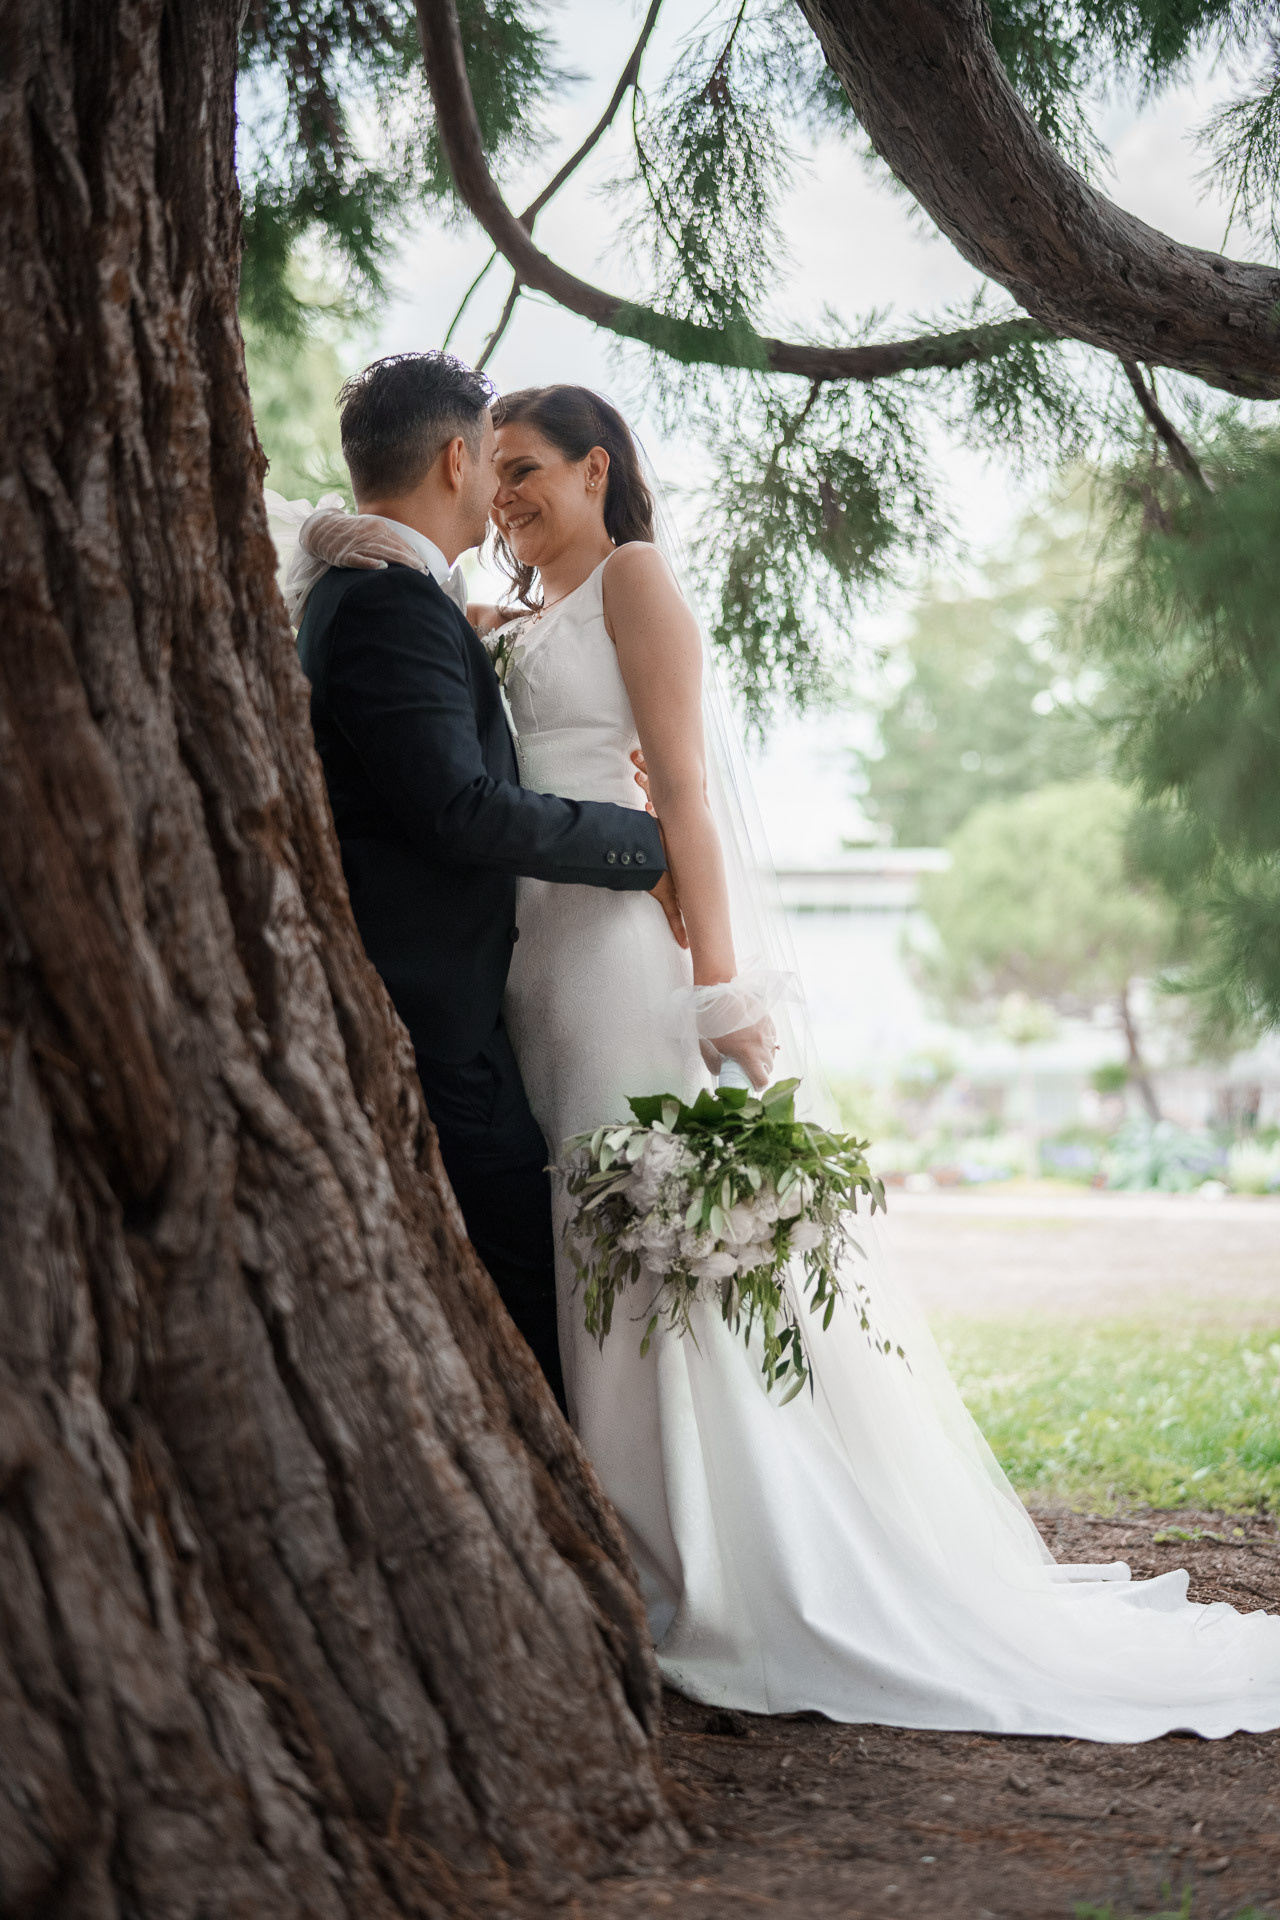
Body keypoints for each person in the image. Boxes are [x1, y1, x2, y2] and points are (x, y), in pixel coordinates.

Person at [294, 378, 1280, 1741]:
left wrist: (721, 990)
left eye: (533, 471)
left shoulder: (637, 578)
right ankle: (638, 1529)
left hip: (624, 956)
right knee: (592, 1239)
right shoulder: (490, 620)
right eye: (496, 473)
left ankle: (730, 1558)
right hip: (533, 958)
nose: (509, 497)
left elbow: (684, 794)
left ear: (599, 471)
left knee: (651, 1229)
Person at [292, 353, 688, 1414]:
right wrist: (643, 846)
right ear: (456, 457)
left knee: (538, 1240)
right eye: (493, 466)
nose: (499, 494)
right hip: (437, 998)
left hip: (501, 980)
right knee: (521, 1254)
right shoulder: (389, 603)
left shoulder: (400, 593)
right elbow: (456, 808)